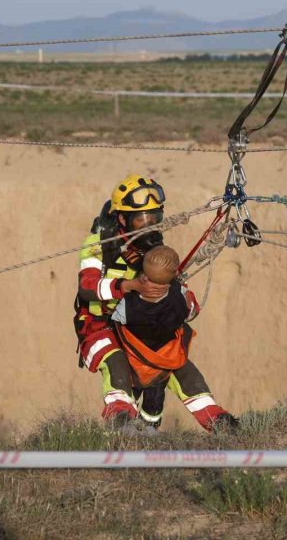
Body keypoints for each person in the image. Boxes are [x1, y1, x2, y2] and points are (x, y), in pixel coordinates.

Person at [74, 174, 233, 431]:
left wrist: (183, 301)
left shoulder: (155, 249)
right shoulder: (97, 246)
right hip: (100, 324)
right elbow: (87, 287)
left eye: (154, 217)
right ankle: (122, 423)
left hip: (140, 324)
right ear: (123, 219)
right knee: (116, 364)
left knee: (179, 365)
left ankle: (219, 422)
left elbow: (179, 289)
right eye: (141, 218)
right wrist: (129, 286)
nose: (149, 225)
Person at [110, 245, 238, 432]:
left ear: (144, 276)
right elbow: (191, 308)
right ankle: (151, 427)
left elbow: (116, 319)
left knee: (132, 390)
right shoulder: (179, 296)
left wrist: (133, 287)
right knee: (157, 395)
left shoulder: (128, 304)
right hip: (167, 356)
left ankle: (130, 427)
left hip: (138, 360)